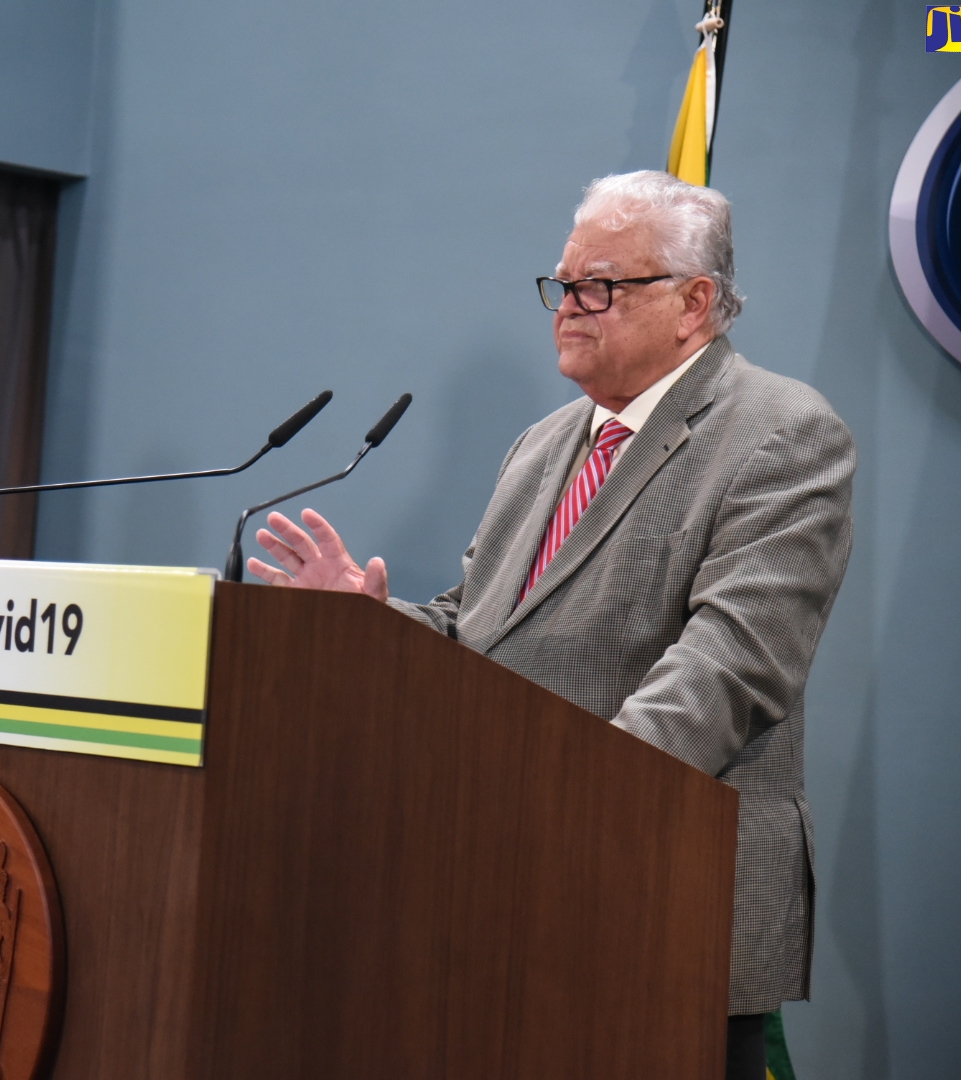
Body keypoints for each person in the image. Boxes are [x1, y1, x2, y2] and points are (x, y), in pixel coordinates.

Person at [248, 171, 854, 1080]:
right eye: (563, 284)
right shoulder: (545, 442)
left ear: (696, 303)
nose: (569, 306)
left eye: (601, 285)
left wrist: (572, 806)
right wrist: (374, 624)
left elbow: (734, 661)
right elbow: (479, 631)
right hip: (495, 883)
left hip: (657, 891)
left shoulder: (783, 432)